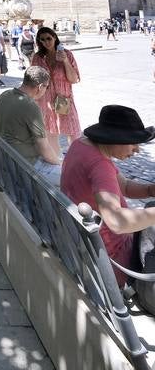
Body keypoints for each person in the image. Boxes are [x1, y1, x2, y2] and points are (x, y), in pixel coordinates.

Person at [61, 105, 155, 286]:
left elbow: (125, 187)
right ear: (115, 138)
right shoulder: (99, 165)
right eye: (133, 142)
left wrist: (151, 189)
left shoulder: (81, 145)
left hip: (83, 242)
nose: (137, 150)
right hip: (110, 258)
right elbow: (117, 221)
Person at [0, 65, 62, 185]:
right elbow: (44, 148)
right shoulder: (31, 106)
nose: (45, 91)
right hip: (26, 164)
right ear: (40, 86)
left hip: (6, 158)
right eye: (46, 87)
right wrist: (59, 163)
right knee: (70, 176)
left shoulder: (4, 95)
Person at [31, 26, 81, 158]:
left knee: (73, 129)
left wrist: (64, 60)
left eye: (49, 38)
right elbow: (33, 78)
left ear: (54, 37)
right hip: (44, 99)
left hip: (63, 97)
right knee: (50, 131)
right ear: (39, 42)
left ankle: (78, 159)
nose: (46, 42)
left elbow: (74, 79)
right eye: (42, 40)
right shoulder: (38, 57)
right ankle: (56, 162)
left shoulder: (67, 54)